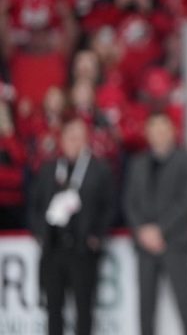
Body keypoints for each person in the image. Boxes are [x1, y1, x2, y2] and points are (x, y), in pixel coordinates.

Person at [28, 118, 116, 335]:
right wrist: (40, 233)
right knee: (53, 309)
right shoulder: (50, 169)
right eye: (69, 137)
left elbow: (110, 206)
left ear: (86, 141)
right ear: (62, 140)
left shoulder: (99, 170)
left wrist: (96, 235)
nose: (73, 143)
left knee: (84, 309)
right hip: (53, 249)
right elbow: (34, 204)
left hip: (82, 251)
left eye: (78, 138)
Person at [124, 113, 187, 335]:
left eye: (163, 130)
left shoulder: (186, 161)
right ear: (147, 134)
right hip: (145, 246)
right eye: (154, 130)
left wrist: (160, 230)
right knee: (145, 306)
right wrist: (142, 230)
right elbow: (129, 201)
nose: (159, 135)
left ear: (172, 133)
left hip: (175, 243)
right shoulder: (137, 164)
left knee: (183, 304)